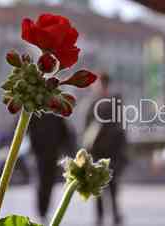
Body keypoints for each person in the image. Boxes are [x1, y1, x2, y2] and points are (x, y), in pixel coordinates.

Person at [84, 73, 127, 226]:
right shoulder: (92, 103)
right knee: (98, 188)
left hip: (111, 152)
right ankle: (101, 217)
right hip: (98, 152)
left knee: (113, 187)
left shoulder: (113, 101)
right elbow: (86, 129)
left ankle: (115, 215)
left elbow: (121, 128)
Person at [28, 113, 75, 223]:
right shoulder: (36, 111)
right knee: (42, 182)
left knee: (48, 183)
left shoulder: (56, 112)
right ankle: (41, 211)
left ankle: (43, 210)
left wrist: (67, 149)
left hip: (52, 153)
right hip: (40, 153)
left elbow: (65, 132)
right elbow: (28, 128)